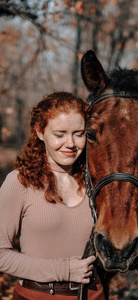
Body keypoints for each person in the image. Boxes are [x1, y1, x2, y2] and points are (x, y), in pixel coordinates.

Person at [0, 92, 105, 300]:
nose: (70, 143)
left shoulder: (95, 182)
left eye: (79, 133)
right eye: (60, 134)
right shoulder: (19, 182)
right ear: (40, 132)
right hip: (36, 296)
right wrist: (64, 270)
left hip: (93, 295)